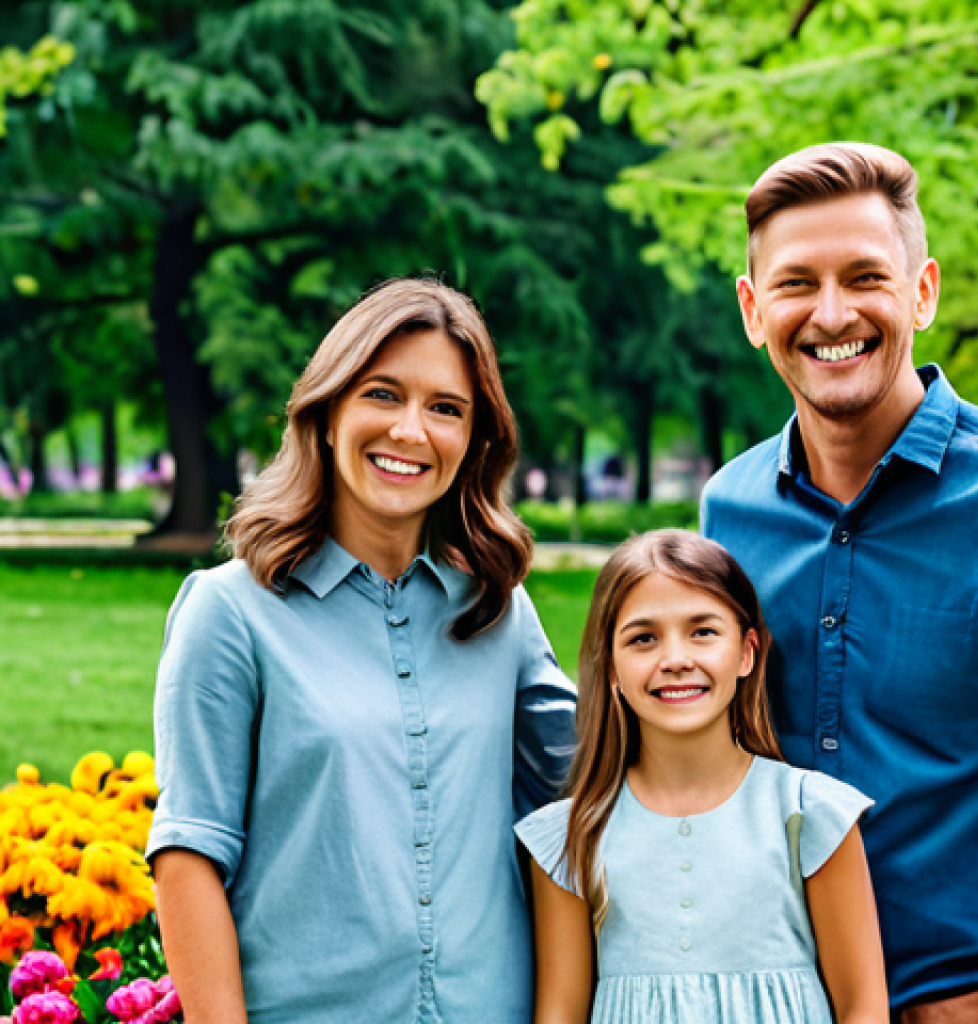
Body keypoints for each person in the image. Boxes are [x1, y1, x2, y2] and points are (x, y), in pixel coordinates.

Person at [146, 278, 577, 1024]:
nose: (411, 431)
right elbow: (189, 856)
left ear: (477, 440)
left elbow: (589, 789)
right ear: (328, 409)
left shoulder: (498, 613)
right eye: (383, 394)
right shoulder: (229, 613)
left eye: (446, 408)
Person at [701, 143, 978, 1022]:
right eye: (797, 282)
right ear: (753, 309)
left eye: (866, 277)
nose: (831, 313)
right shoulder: (727, 511)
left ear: (922, 292)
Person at [515, 529, 888, 1024]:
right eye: (643, 638)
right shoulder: (572, 836)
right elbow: (560, 1013)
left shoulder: (811, 816)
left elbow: (863, 1007)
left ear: (746, 652)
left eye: (703, 631)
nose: (675, 660)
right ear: (610, 668)